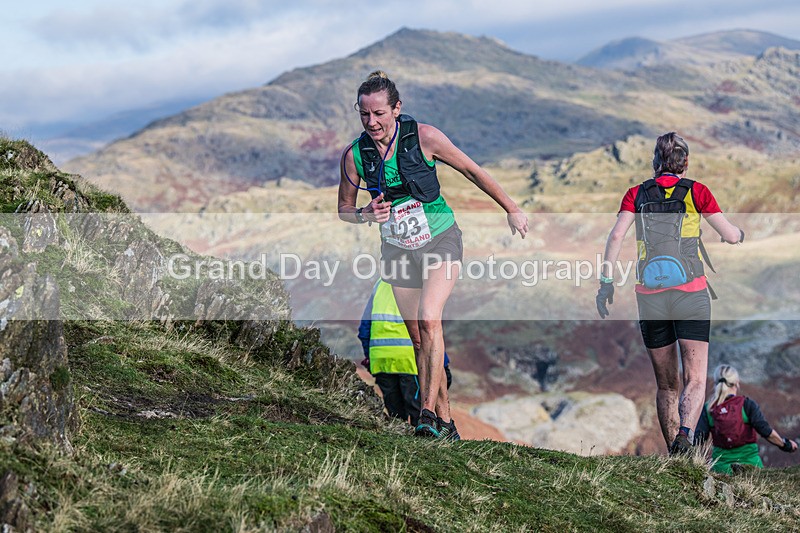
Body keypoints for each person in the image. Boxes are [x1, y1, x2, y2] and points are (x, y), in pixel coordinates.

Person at [338, 70, 528, 438]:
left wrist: (511, 207)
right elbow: (344, 209)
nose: (372, 122)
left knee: (430, 319)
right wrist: (364, 214)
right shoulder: (354, 156)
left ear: (397, 109)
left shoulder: (424, 137)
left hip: (441, 238)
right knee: (419, 341)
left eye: (379, 113)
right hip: (397, 249)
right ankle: (445, 421)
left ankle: (425, 416)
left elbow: (472, 170)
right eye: (364, 114)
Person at [596, 132, 744, 455]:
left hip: (650, 295)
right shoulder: (697, 192)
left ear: (655, 162)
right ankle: (686, 437)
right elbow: (730, 234)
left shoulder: (636, 194)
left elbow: (615, 237)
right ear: (685, 162)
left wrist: (606, 282)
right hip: (691, 292)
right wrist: (738, 235)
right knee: (695, 379)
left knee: (666, 384)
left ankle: (676, 455)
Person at [358, 279, 453, 430]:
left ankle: (399, 449)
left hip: (382, 361)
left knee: (396, 419)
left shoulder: (380, 285)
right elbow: (431, 333)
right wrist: (443, 364)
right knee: (420, 415)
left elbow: (364, 327)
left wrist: (370, 356)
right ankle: (427, 449)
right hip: (410, 361)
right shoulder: (423, 283)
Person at [695, 365, 797, 473]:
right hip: (751, 468)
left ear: (715, 382)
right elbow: (766, 431)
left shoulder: (709, 408)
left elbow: (698, 439)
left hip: (720, 469)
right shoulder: (746, 404)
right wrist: (786, 444)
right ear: (737, 382)